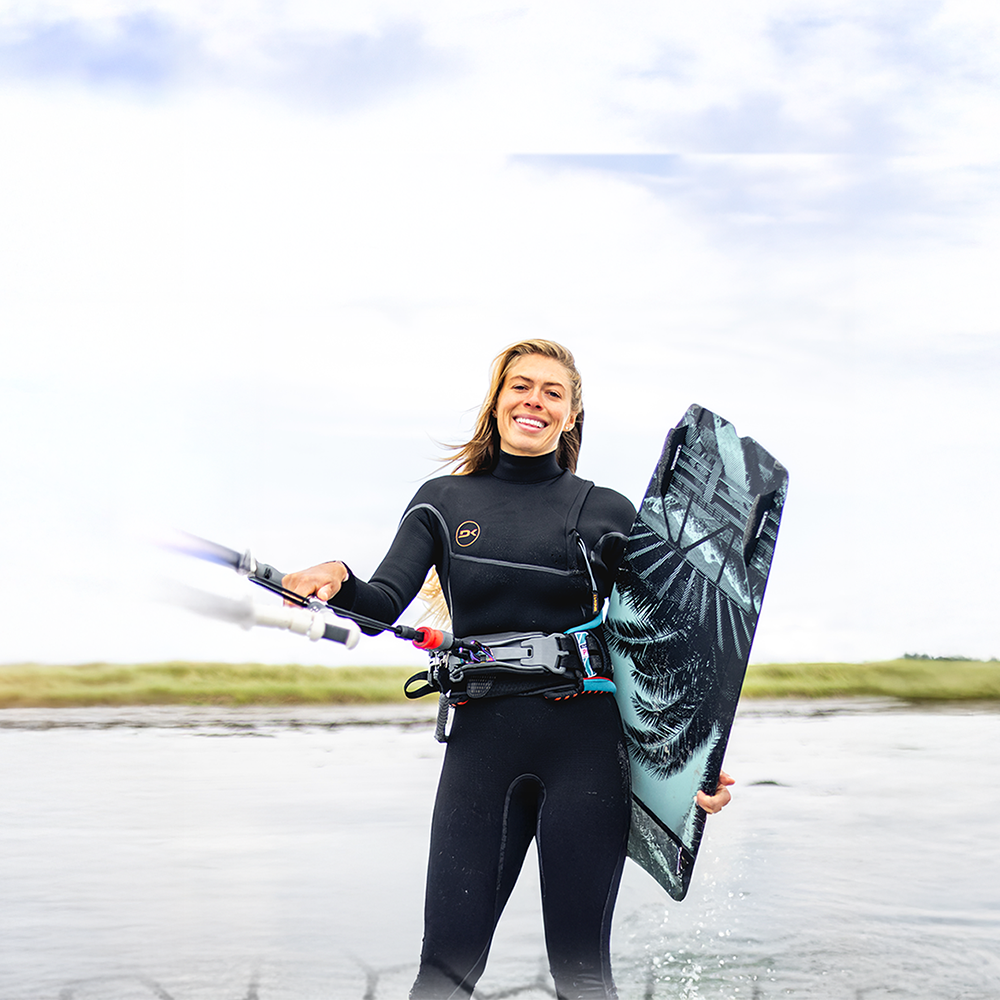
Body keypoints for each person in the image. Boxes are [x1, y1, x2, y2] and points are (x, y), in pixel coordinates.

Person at [284, 340, 732, 1000]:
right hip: (480, 751)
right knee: (444, 970)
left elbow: (664, 651)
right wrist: (340, 577)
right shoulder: (442, 501)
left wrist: (694, 764)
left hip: (585, 752)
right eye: (521, 386)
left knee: (582, 973)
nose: (534, 401)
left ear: (571, 415)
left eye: (553, 392)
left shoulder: (606, 512)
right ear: (497, 402)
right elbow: (379, 607)